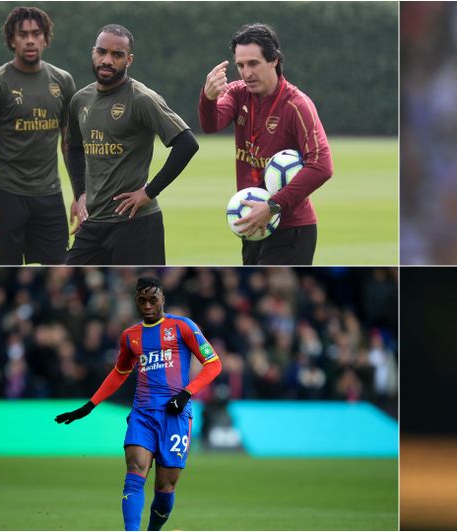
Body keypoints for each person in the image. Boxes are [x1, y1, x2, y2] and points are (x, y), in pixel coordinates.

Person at [55, 277, 222, 531]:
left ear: (162, 299)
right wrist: (89, 406)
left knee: (165, 489)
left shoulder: (183, 327)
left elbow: (214, 364)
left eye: (152, 300)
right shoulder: (130, 336)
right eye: (142, 301)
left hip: (175, 416)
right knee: (134, 473)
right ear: (135, 301)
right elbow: (119, 372)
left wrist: (186, 394)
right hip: (142, 413)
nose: (147, 306)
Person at [199, 23, 333, 265]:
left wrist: (272, 206)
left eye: (253, 63)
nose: (246, 73)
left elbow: (322, 166)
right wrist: (207, 98)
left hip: (291, 230)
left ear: (274, 60)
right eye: (240, 65)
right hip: (252, 224)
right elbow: (211, 124)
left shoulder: (297, 106)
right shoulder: (236, 93)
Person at [66, 24, 199, 265]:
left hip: (136, 225)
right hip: (93, 223)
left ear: (129, 60)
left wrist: (149, 192)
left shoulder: (142, 99)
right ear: (93, 53)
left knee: (144, 295)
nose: (107, 60)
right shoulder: (80, 100)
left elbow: (187, 143)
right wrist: (80, 193)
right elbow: (73, 147)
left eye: (117, 55)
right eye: (101, 52)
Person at [0, 7, 76, 265]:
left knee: (61, 267)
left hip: (49, 195)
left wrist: (80, 193)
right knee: (6, 269)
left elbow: (69, 145)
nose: (30, 40)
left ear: (45, 38)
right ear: (11, 40)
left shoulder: (63, 81)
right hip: (6, 194)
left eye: (36, 33)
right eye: (22, 34)